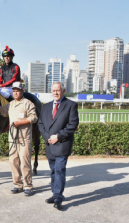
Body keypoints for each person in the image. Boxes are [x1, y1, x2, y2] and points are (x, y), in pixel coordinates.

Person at [0, 81, 37, 196]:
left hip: (24, 138)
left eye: (17, 91)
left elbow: (33, 118)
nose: (15, 93)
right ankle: (17, 184)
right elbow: (2, 111)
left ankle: (28, 186)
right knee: (13, 162)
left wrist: (20, 123)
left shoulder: (28, 103)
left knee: (25, 162)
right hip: (13, 138)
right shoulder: (11, 104)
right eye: (13, 91)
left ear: (22, 91)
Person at [37, 82, 79, 210]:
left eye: (58, 90)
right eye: (54, 90)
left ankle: (58, 197)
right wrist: (46, 137)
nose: (56, 92)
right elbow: (40, 124)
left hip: (62, 144)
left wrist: (58, 136)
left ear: (63, 91)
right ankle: (55, 194)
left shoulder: (71, 105)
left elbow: (72, 125)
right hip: (50, 144)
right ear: (51, 91)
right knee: (54, 171)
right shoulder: (45, 107)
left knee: (60, 170)